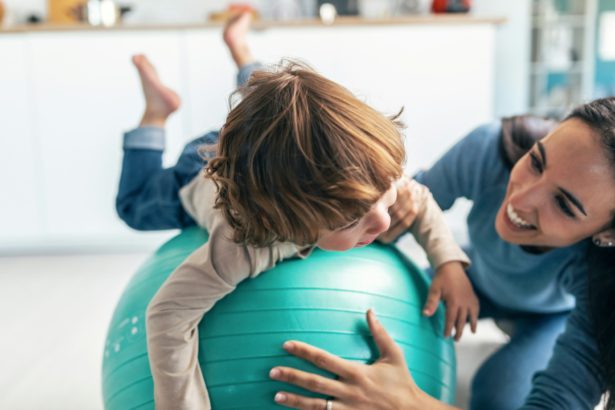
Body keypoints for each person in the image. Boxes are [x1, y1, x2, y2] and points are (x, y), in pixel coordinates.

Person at [115, 13, 475, 409]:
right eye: (352, 221)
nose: (386, 221)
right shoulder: (240, 246)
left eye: (385, 194)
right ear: (287, 225)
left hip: (265, 145)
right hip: (198, 167)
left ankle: (242, 52)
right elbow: (167, 315)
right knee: (134, 205)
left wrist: (448, 262)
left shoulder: (367, 177)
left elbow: (418, 198)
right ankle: (155, 112)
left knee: (265, 103)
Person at [268, 100, 615, 410]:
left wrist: (407, 402)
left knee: (498, 398)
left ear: (606, 234)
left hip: (548, 315)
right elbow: (404, 205)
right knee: (365, 326)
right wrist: (446, 260)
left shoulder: (601, 287)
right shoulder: (490, 148)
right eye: (537, 162)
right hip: (474, 276)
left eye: (564, 204)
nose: (521, 200)